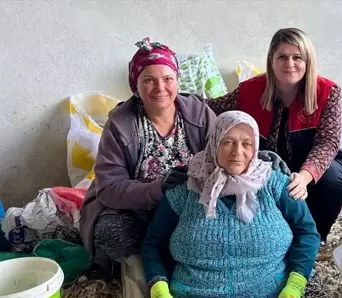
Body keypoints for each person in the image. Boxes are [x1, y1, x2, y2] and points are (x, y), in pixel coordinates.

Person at [125, 111, 342, 298]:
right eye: (228, 142)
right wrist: (159, 290)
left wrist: (296, 284)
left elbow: (307, 233)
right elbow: (153, 243)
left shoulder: (276, 184)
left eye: (246, 143)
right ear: (214, 142)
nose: (237, 152)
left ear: (256, 147)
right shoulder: (185, 190)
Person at [79, 38, 287, 267]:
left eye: (168, 79)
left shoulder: (196, 112)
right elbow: (109, 189)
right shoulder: (121, 124)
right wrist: (157, 189)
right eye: (149, 80)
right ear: (135, 85)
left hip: (190, 203)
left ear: (177, 81)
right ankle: (146, 267)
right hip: (139, 210)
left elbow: (225, 149)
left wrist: (259, 161)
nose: (160, 88)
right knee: (114, 233)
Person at [207, 28, 342, 241]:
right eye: (282, 57)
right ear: (271, 60)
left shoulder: (327, 92)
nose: (290, 64)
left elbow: (328, 141)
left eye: (297, 57)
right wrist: (173, 99)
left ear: (308, 61)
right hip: (271, 160)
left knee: (331, 180)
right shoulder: (251, 89)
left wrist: (306, 176)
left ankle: (314, 237)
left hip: (313, 161)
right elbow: (212, 107)